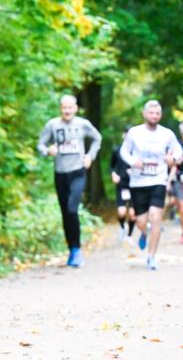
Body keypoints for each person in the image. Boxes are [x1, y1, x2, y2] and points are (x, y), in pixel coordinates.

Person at [37, 94, 102, 267]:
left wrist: (90, 156)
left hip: (78, 172)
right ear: (60, 109)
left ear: (75, 108)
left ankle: (78, 250)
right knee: (66, 212)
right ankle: (72, 249)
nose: (67, 111)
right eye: (64, 108)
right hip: (60, 173)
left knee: (72, 208)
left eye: (70, 107)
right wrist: (47, 150)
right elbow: (40, 145)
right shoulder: (52, 125)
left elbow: (97, 138)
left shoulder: (82, 124)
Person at [120, 100, 183, 270]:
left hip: (158, 180)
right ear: (144, 114)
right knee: (141, 221)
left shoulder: (167, 134)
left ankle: (151, 256)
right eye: (151, 113)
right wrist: (134, 161)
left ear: (160, 115)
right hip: (138, 182)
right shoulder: (134, 133)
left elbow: (178, 151)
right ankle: (143, 232)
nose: (154, 116)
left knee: (156, 218)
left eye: (157, 113)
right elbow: (124, 151)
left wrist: (173, 159)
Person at [109, 127, 136, 244]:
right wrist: (113, 174)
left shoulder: (136, 151)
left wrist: (135, 171)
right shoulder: (117, 150)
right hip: (121, 185)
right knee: (121, 211)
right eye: (126, 134)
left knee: (132, 213)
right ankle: (121, 226)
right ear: (123, 135)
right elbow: (111, 166)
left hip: (134, 185)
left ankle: (129, 235)